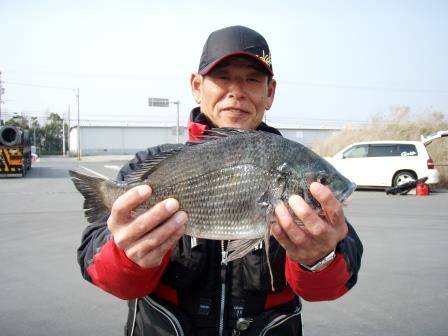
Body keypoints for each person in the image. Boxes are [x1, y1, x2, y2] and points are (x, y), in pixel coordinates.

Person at [77, 25, 363, 336]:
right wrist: (126, 255)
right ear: (196, 86)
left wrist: (321, 258)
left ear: (270, 92)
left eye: (252, 79)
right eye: (222, 77)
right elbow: (100, 268)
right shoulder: (148, 164)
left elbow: (330, 284)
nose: (236, 92)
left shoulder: (293, 164)